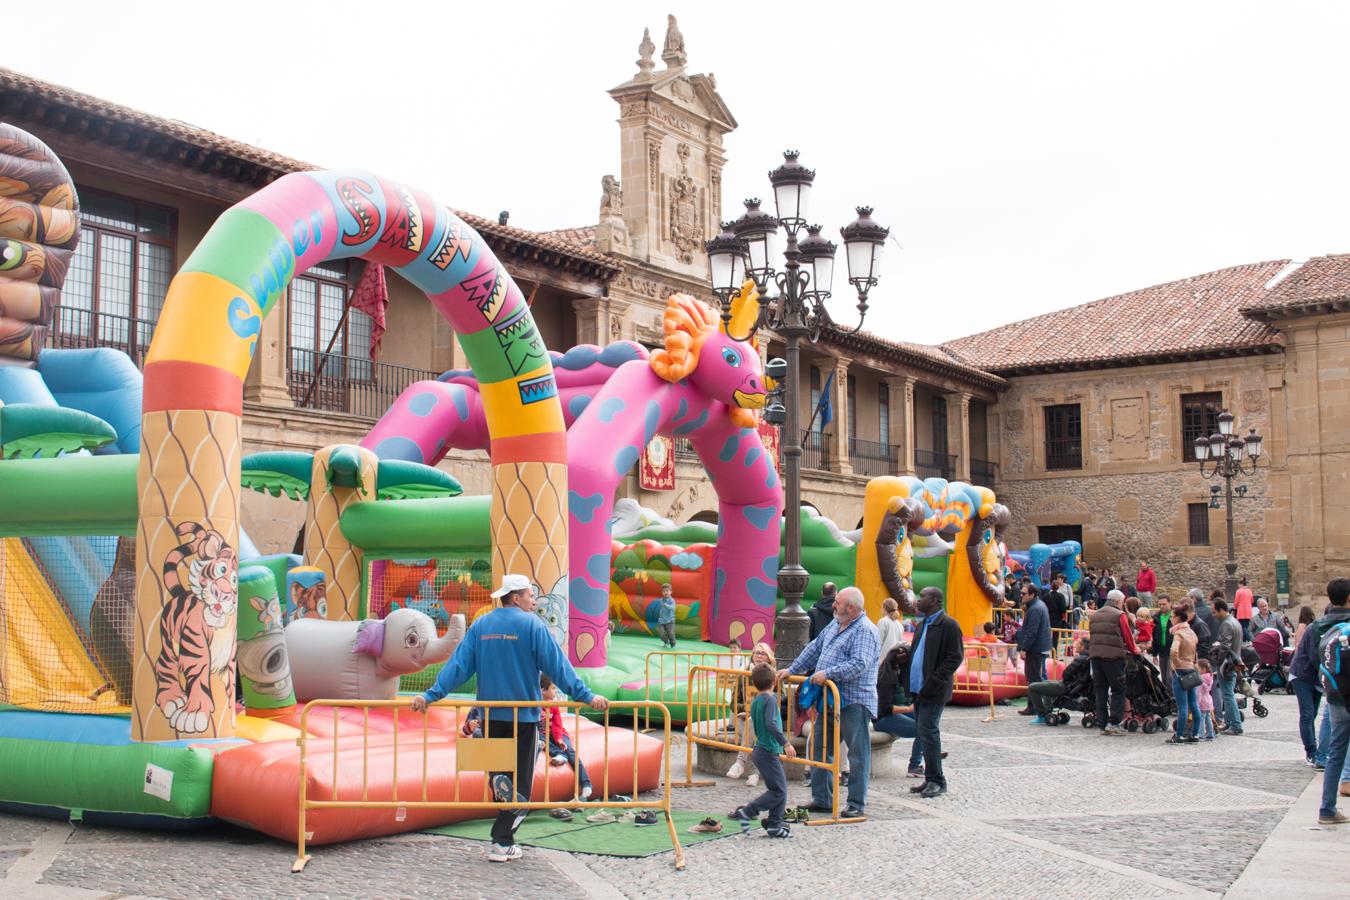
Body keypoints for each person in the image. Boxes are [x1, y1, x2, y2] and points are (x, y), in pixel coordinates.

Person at [411, 573, 609, 863]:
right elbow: (557, 666)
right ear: (515, 597)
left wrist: (431, 695)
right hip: (525, 718)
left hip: (490, 717)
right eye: (530, 595)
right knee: (521, 791)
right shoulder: (533, 625)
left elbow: (459, 666)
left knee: (502, 783)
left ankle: (499, 790)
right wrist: (585, 695)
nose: (533, 600)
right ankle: (501, 842)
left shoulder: (481, 625)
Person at [781, 586, 879, 817]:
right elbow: (814, 648)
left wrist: (829, 673)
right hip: (830, 700)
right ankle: (823, 798)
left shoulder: (864, 630)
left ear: (852, 608)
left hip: (853, 701)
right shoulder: (836, 624)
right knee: (818, 746)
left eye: (838, 602)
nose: (833, 605)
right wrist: (791, 669)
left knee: (857, 754)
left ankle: (856, 804)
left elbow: (859, 663)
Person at [905, 587, 965, 798]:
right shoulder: (922, 625)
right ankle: (930, 777)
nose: (918, 601)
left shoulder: (948, 625)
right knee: (924, 733)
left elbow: (955, 657)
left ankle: (937, 780)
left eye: (922, 597)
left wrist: (935, 680)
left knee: (929, 732)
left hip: (933, 690)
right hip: (918, 689)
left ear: (935, 600)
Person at [1302, 578, 1350, 825]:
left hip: (1335, 695)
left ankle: (1327, 809)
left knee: (1335, 752)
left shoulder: (1317, 626)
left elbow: (1313, 659)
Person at [729, 663, 796, 837]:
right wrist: (786, 743)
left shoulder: (757, 700)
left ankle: (774, 823)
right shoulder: (771, 699)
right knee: (779, 790)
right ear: (774, 681)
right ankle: (749, 811)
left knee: (778, 788)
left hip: (761, 750)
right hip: (767, 751)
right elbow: (770, 724)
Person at [1087, 590, 1139, 735]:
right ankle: (1114, 722)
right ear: (1118, 602)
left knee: (1100, 690)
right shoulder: (1119, 615)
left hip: (1096, 657)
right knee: (1118, 689)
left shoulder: (1095, 614)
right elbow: (1127, 636)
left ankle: (1102, 722)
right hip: (1113, 657)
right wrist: (1135, 650)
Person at [727, 642, 776, 787]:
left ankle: (741, 764)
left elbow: (782, 699)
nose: (759, 656)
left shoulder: (774, 676)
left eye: (762, 653)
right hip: (744, 719)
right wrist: (745, 709)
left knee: (756, 723)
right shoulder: (744, 674)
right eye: (756, 653)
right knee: (752, 721)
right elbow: (734, 703)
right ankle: (753, 772)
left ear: (769, 658)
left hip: (765, 719)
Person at [539, 675, 593, 800]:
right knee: (539, 740)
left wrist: (559, 739)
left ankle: (586, 784)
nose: (555, 691)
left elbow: (558, 724)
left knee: (570, 752)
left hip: (557, 733)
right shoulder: (535, 705)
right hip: (543, 735)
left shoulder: (553, 705)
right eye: (553, 688)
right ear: (542, 690)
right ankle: (559, 755)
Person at [1026, 638, 1091, 724]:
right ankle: (1047, 711)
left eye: (1077, 644)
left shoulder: (1080, 659)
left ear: (1082, 647)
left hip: (1068, 687)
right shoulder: (1089, 658)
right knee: (1046, 683)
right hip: (1075, 686)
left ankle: (1041, 715)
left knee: (1032, 687)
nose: (1075, 646)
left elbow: (1066, 674)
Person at [1165, 606, 1200, 744]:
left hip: (1180, 670)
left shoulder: (1179, 634)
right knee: (1193, 703)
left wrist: (1176, 663)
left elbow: (1173, 651)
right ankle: (1195, 733)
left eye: (1172, 616)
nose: (1170, 619)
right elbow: (1195, 650)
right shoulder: (1191, 632)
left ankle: (1179, 734)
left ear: (1178, 618)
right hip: (1191, 668)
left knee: (1182, 706)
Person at [1016, 585, 1051, 715]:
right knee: (1034, 677)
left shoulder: (1036, 608)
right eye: (1021, 593)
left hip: (1035, 649)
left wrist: (1024, 648)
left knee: (1033, 678)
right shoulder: (1037, 606)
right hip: (1038, 647)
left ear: (1032, 595)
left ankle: (1035, 707)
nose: (1021, 595)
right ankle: (1035, 706)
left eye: (1024, 593)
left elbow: (1032, 631)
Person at [1212, 600, 1245, 736]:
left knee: (1228, 695)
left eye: (1214, 612)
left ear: (1221, 610)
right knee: (1228, 693)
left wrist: (1218, 660)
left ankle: (1236, 724)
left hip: (1227, 664)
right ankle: (1231, 722)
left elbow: (1225, 646)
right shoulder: (1234, 621)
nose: (1213, 615)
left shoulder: (1226, 624)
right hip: (1234, 662)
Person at [1153, 595, 1174, 695]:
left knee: (1170, 678)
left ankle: (1174, 699)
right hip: (1162, 650)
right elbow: (1154, 635)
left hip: (1172, 650)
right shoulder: (1156, 617)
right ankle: (1168, 700)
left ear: (1170, 603)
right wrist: (1154, 653)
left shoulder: (1174, 616)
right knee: (1164, 679)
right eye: (1159, 604)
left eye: (1164, 604)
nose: (1161, 606)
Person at [877, 597, 904, 665]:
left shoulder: (883, 621)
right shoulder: (899, 624)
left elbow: (878, 643)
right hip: (894, 660)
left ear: (884, 608)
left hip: (882, 661)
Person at [1196, 659, 1217, 741]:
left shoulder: (1201, 679)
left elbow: (1199, 692)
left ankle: (1200, 734)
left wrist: (1197, 702)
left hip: (1202, 701)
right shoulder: (1210, 677)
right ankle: (1210, 733)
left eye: (1198, 669)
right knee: (1208, 718)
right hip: (1209, 699)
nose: (1197, 670)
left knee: (1201, 718)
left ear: (1204, 669)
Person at [655, 583, 677, 648]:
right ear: (662, 592)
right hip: (662, 620)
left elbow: (673, 608)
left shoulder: (672, 600)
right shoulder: (661, 600)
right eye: (664, 591)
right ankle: (666, 642)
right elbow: (662, 609)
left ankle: (672, 643)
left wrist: (666, 605)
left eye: (667, 591)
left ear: (670, 592)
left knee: (671, 633)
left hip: (670, 620)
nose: (665, 592)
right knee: (661, 633)